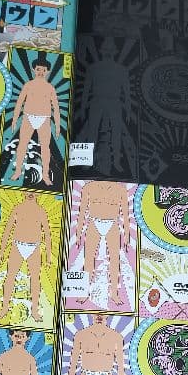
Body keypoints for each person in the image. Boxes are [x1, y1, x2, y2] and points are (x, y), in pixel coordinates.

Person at [77, 39, 131, 174]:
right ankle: (88, 161)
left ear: (114, 52)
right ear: (102, 52)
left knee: (116, 132)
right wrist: (83, 108)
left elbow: (126, 91)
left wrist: (129, 109)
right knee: (92, 131)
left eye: (110, 50)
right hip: (97, 100)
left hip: (114, 102)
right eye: (106, 50)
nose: (108, 53)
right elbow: (86, 89)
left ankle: (116, 161)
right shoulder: (93, 68)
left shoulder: (121, 70)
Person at [0, 193, 51, 323]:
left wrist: (48, 255)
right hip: (17, 246)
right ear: (23, 193)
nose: (31, 194)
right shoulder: (18, 208)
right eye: (28, 191)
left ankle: (34, 311)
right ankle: (4, 308)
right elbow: (7, 230)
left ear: (38, 194)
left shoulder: (41, 211)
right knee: (10, 277)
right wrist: (2, 251)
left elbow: (47, 234)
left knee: (35, 280)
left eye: (34, 192)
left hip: (34, 247)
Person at [8, 55, 61, 186]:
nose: (41, 72)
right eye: (38, 69)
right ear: (33, 70)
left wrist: (58, 126)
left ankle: (45, 175)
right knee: (22, 145)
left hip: (44, 119)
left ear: (47, 71)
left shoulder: (50, 87)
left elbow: (56, 107)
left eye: (43, 70)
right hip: (28, 117)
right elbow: (19, 102)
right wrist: (14, 119)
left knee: (45, 148)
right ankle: (17, 171)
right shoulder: (28, 85)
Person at [75, 181, 129, 306]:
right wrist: (78, 233)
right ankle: (84, 293)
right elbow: (82, 211)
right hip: (94, 223)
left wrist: (127, 235)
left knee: (114, 260)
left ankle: (114, 294)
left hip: (112, 224)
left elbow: (125, 214)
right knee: (89, 260)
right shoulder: (89, 187)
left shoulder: (120, 189)